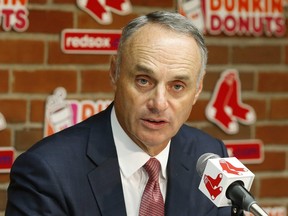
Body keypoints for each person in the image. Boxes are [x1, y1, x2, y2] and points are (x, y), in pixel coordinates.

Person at [6, 11, 231, 215]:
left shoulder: (210, 156)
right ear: (115, 72)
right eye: (143, 81)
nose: (159, 103)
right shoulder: (47, 171)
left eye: (177, 86)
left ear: (197, 91)